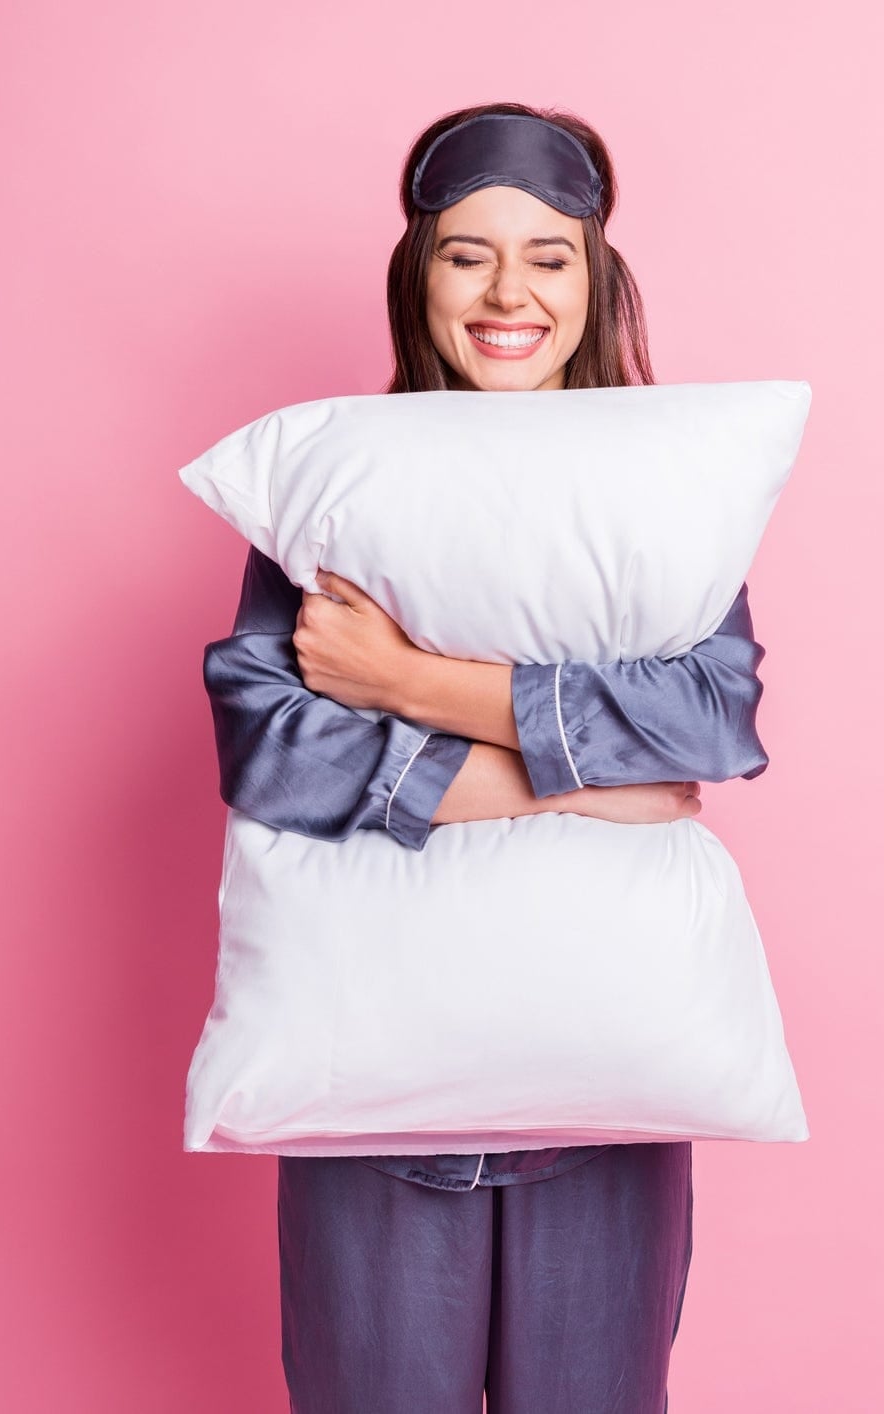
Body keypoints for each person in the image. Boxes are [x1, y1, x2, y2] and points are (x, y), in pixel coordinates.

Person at [199, 103, 773, 1414]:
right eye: (468, 254)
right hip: (378, 1097)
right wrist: (580, 778)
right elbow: (276, 744)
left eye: (548, 255)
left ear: (596, 275)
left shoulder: (660, 495)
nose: (509, 291)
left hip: (603, 1090)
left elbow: (708, 720)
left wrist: (408, 682)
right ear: (418, 273)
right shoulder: (333, 484)